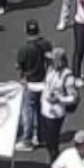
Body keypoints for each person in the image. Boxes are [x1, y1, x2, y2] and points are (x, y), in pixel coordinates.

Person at [40, 48, 80, 168]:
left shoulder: (67, 77)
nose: (51, 61)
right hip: (45, 109)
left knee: (53, 144)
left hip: (56, 113)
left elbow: (73, 97)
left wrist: (58, 98)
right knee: (47, 143)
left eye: (53, 59)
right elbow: (45, 86)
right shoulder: (50, 70)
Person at [15, 21, 51, 151]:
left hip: (30, 83)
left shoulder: (24, 49)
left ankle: (27, 140)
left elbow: (19, 66)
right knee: (41, 111)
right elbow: (50, 61)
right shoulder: (46, 44)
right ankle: (41, 137)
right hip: (44, 83)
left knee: (28, 111)